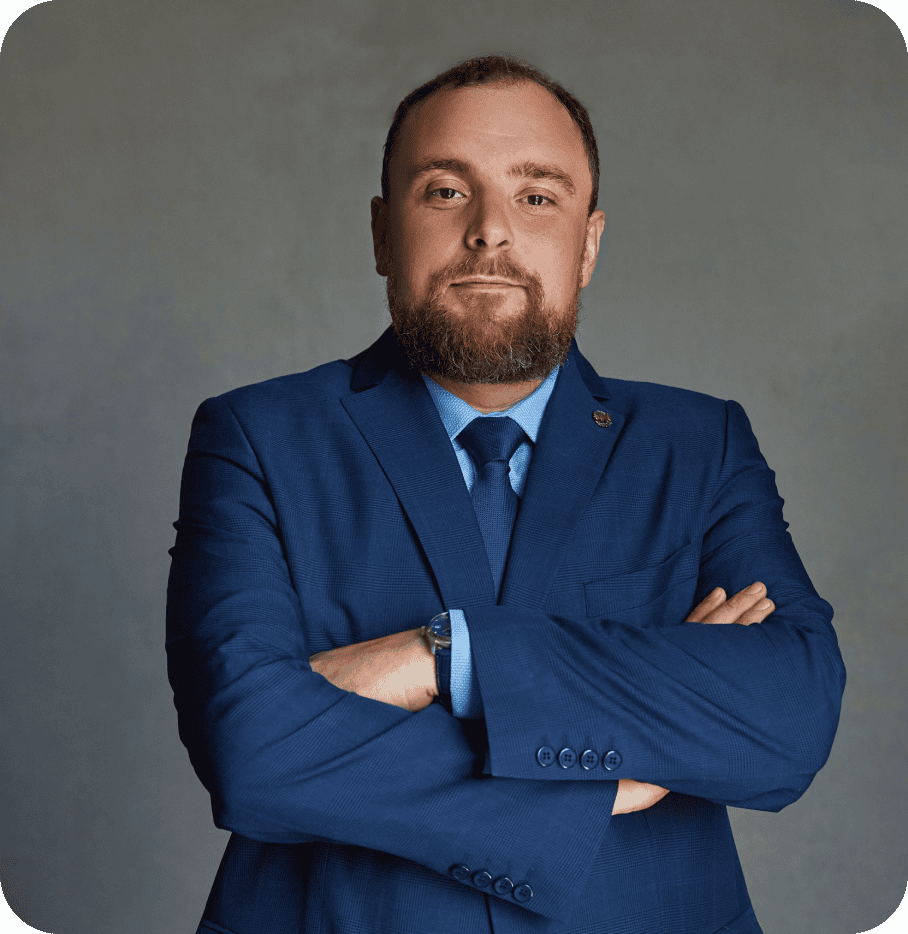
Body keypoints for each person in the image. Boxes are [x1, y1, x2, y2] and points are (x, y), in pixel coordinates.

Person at [166, 54, 846, 934]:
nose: (490, 230)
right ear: (382, 233)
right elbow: (249, 748)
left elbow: (790, 715)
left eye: (536, 196)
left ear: (588, 244)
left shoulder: (699, 445)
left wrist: (443, 657)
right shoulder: (256, 436)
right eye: (446, 191)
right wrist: (608, 757)